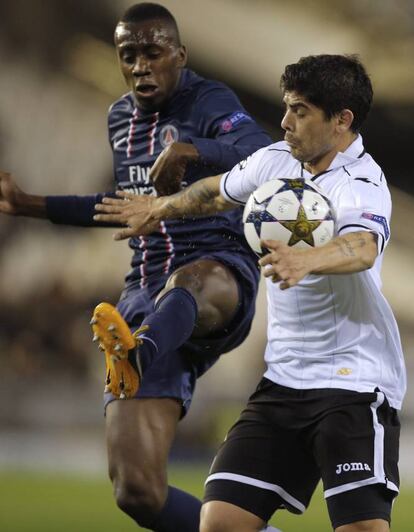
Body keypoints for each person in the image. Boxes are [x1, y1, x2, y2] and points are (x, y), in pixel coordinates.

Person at [94, 54, 406, 532]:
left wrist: (306, 259)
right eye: (286, 107)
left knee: (363, 528)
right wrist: (161, 208)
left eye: (300, 111)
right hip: (284, 381)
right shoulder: (277, 160)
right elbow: (215, 192)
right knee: (219, 522)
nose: (285, 122)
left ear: (341, 120)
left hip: (353, 383)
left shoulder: (362, 182)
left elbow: (362, 246)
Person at [0, 3, 272, 531]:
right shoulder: (120, 119)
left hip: (219, 275)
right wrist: (27, 203)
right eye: (130, 55)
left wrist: (192, 149)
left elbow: (260, 152)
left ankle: (137, 352)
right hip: (145, 293)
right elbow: (121, 205)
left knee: (188, 282)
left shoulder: (210, 99)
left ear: (179, 55)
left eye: (153, 52)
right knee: (137, 491)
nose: (141, 65)